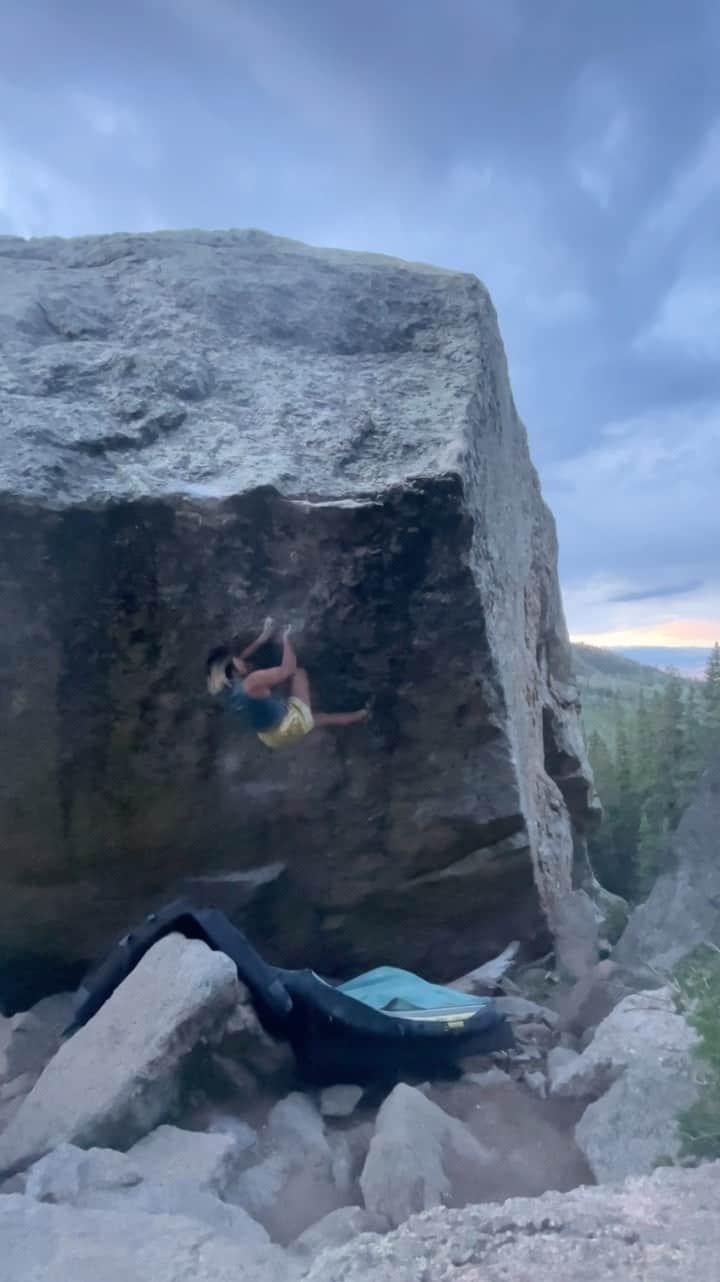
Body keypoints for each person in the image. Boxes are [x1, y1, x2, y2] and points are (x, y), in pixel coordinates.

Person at [206, 618, 369, 750]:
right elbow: (289, 669)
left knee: (318, 720)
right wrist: (286, 639)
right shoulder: (252, 682)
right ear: (231, 668)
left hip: (269, 737)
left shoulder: (221, 689)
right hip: (288, 724)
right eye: (235, 658)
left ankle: (358, 715)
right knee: (300, 674)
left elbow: (240, 658)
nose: (241, 658)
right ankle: (363, 714)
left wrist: (263, 638)